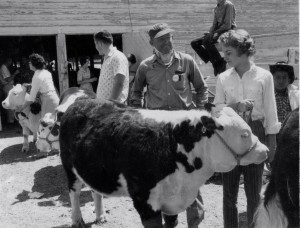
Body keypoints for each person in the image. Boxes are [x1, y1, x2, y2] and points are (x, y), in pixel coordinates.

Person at [131, 22, 208, 228]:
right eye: (161, 39)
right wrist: (140, 117)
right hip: (157, 133)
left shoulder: (187, 61)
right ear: (151, 43)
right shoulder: (146, 66)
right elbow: (136, 93)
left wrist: (198, 112)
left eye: (169, 38)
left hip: (184, 130)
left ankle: (194, 223)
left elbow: (202, 88)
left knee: (190, 176)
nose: (167, 42)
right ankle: (170, 221)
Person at [213, 29, 281, 228]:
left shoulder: (264, 76)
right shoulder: (223, 78)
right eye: (223, 52)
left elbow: (270, 111)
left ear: (243, 51)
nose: (224, 57)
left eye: (228, 53)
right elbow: (216, 110)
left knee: (253, 193)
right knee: (229, 194)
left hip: (255, 133)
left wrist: (272, 142)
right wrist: (236, 106)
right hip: (230, 136)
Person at [191, 0, 236, 76]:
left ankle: (218, 63)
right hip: (218, 30)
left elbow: (227, 25)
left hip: (227, 30)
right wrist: (210, 33)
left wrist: (216, 32)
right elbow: (214, 24)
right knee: (194, 43)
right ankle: (216, 62)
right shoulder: (216, 8)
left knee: (207, 42)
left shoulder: (228, 5)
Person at [17, 53, 59, 118]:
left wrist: (22, 107)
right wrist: (30, 84)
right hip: (54, 99)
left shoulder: (37, 76)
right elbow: (43, 84)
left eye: (30, 63)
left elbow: (31, 98)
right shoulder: (46, 72)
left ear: (34, 64)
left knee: (45, 126)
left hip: (47, 101)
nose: (29, 64)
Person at [94, 30, 129, 103]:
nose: (96, 47)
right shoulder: (107, 58)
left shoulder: (117, 57)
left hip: (114, 108)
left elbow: (119, 83)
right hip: (106, 107)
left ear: (100, 43)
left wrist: (109, 103)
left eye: (95, 44)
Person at [0, 57, 19, 123]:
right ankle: (10, 121)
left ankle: (11, 120)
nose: (11, 63)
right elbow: (8, 79)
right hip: (7, 86)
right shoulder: (3, 67)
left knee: (11, 103)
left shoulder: (4, 67)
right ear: (8, 61)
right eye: (10, 61)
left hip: (8, 86)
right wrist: (15, 73)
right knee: (10, 103)